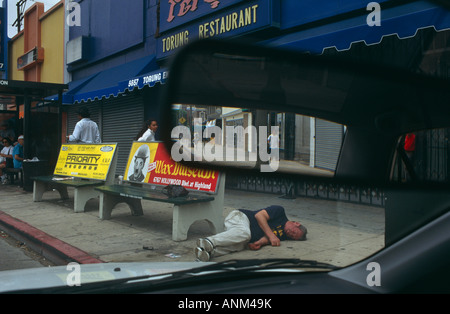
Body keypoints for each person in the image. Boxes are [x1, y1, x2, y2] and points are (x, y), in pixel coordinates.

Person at [194, 205, 307, 262]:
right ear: (296, 223)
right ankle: (209, 241)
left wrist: (259, 243)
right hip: (240, 217)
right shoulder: (280, 212)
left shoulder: (282, 236)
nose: (290, 233)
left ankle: (207, 253)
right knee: (244, 234)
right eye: (293, 231)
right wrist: (272, 236)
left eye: (292, 236)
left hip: (243, 234)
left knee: (239, 246)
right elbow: (259, 216)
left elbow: (266, 239)